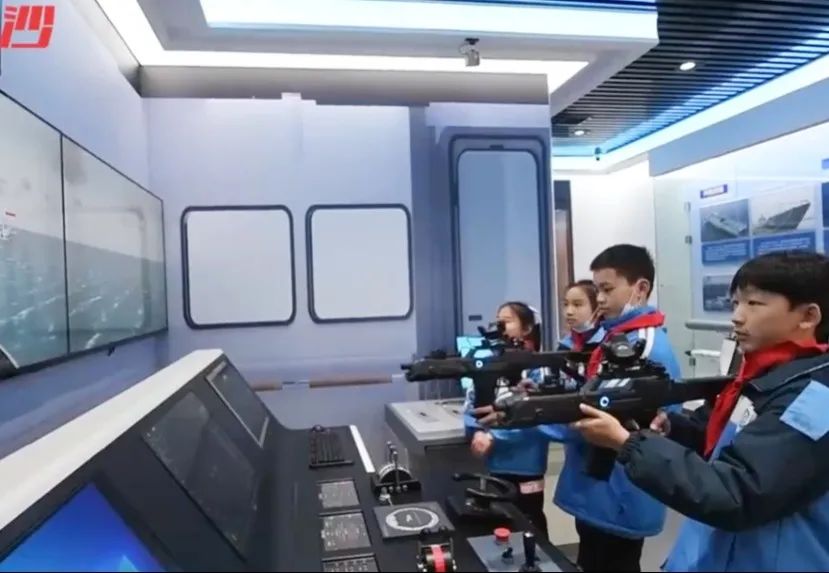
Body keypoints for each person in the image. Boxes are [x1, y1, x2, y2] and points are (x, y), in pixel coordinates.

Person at [573, 251, 829, 571]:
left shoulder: (816, 401)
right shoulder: (763, 377)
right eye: (735, 303)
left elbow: (736, 493)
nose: (737, 317)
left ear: (808, 316)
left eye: (754, 304)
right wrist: (673, 427)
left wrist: (628, 444)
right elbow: (723, 442)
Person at [465, 301, 550, 537]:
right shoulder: (489, 363)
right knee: (500, 527)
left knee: (530, 526)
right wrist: (477, 431)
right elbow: (471, 405)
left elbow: (537, 417)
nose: (500, 326)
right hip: (494, 466)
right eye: (498, 321)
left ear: (527, 328)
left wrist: (495, 436)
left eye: (508, 321)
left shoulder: (538, 368)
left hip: (527, 467)